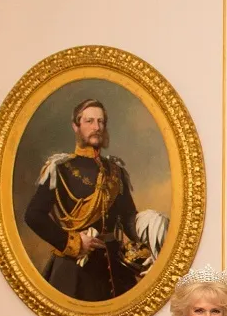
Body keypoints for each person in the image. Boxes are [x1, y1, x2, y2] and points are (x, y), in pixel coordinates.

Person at [24, 99, 152, 301]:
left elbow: (128, 219)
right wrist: (74, 242)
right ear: (76, 126)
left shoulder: (116, 171)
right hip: (74, 269)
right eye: (89, 121)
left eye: (101, 122)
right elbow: (33, 215)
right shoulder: (60, 168)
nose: (96, 127)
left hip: (115, 269)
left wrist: (151, 234)